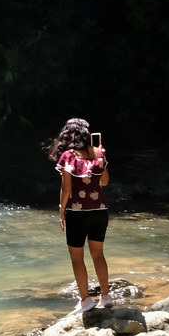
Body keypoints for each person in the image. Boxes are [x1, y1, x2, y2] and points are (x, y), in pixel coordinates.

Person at [44, 117, 111, 314]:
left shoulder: (68, 156)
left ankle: (85, 300)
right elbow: (105, 182)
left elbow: (66, 188)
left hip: (78, 212)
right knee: (98, 254)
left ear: (68, 134)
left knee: (77, 257)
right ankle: (105, 296)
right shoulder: (98, 153)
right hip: (100, 210)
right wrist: (102, 160)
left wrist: (61, 209)